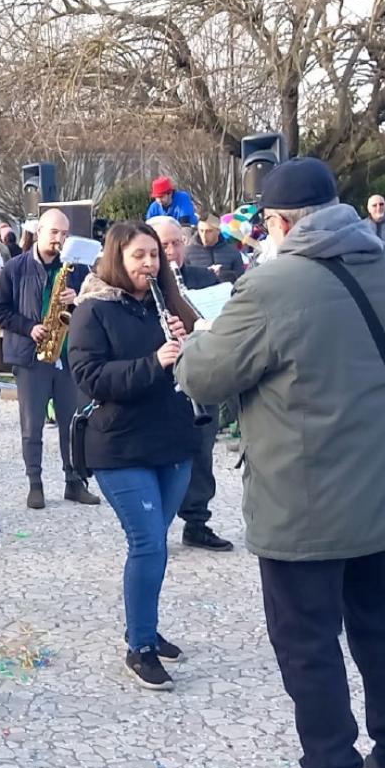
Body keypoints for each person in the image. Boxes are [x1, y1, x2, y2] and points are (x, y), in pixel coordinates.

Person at [176, 158, 385, 768]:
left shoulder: (274, 284)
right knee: (381, 626)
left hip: (303, 498)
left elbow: (204, 376)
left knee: (308, 643)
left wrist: (201, 338)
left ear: (279, 222)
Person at [68, 222, 201, 690]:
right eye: (139, 255)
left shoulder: (166, 304)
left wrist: (190, 345)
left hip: (172, 440)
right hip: (121, 446)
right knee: (147, 543)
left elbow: (194, 367)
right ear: (117, 259)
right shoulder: (93, 310)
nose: (149, 263)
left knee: (156, 544)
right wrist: (154, 361)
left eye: (154, 255)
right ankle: (140, 647)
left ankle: (143, 625)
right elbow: (90, 377)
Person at [0, 208, 102, 509]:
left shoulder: (76, 269)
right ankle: (35, 484)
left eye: (64, 234)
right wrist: (29, 327)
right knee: (32, 426)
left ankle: (74, 482)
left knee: (72, 424)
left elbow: (95, 308)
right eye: (54, 233)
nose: (59, 239)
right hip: (31, 357)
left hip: (68, 355)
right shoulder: (15, 268)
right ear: (38, 232)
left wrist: (77, 300)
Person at [148, 216, 234, 552]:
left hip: (199, 375)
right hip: (161, 378)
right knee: (159, 451)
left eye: (176, 243)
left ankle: (197, 521)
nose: (171, 251)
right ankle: (155, 527)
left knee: (202, 450)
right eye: (164, 245)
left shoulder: (203, 279)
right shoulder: (143, 285)